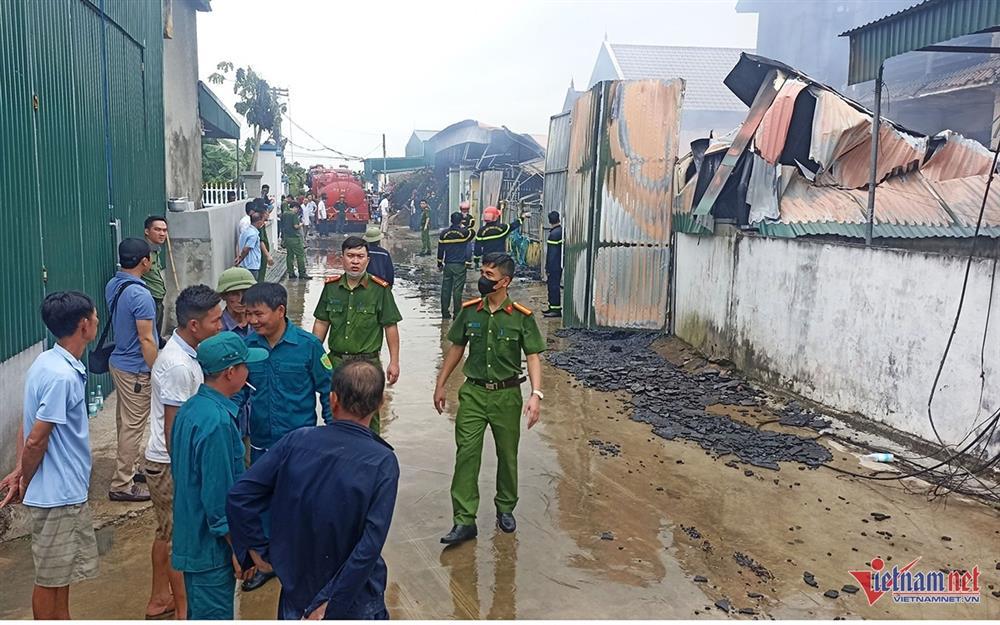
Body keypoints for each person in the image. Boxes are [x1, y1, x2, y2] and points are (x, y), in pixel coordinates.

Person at [227, 360, 399, 620]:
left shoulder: (298, 440)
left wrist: (257, 551)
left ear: (332, 400)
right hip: (354, 597)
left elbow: (240, 495)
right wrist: (331, 601)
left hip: (298, 588)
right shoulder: (382, 461)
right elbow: (369, 545)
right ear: (380, 404)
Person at [433, 253, 544, 545]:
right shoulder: (470, 311)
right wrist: (440, 383)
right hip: (473, 394)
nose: (482, 279)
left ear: (504, 282)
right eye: (482, 272)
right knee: (466, 454)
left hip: (507, 396)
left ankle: (505, 508)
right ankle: (464, 520)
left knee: (507, 455)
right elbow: (457, 349)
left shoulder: (521, 317)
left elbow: (532, 356)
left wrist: (535, 394)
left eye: (489, 276)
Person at [0, 292, 100, 619]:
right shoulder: (61, 377)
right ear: (84, 325)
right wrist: (25, 477)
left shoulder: (46, 362)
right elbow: (35, 439)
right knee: (49, 578)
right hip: (58, 495)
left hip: (60, 491)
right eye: (95, 317)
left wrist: (18, 471)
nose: (97, 321)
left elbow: (26, 426)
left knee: (60, 576)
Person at [238, 282, 333, 593]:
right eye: (248, 314)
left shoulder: (308, 347)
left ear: (280, 311)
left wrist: (335, 439)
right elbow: (238, 394)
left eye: (258, 314)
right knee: (263, 503)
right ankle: (269, 563)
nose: (253, 320)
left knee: (300, 502)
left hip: (301, 446)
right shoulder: (247, 348)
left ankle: (302, 560)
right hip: (262, 443)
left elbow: (327, 393)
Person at [170, 333, 267, 620]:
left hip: (192, 536)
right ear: (230, 372)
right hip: (210, 551)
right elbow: (218, 501)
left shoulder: (191, 409)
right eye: (245, 366)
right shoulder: (218, 423)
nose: (249, 372)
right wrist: (240, 549)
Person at [143, 285, 223, 620]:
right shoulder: (178, 365)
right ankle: (183, 610)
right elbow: (174, 428)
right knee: (181, 539)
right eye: (216, 321)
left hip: (165, 460)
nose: (221, 326)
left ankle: (160, 597)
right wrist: (186, 474)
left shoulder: (187, 353)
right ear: (194, 325)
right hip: (170, 462)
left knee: (166, 531)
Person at [312, 236, 402, 435]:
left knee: (370, 418)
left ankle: (371, 457)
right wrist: (312, 355)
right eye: (350, 256)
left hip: (367, 364)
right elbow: (321, 323)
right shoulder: (331, 288)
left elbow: (390, 327)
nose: (355, 261)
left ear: (368, 260)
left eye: (360, 256)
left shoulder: (380, 290)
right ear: (341, 258)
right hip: (335, 362)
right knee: (333, 413)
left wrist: (394, 362)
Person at [106, 238, 158, 502]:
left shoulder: (114, 284)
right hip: (136, 369)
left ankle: (131, 468)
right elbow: (146, 339)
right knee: (133, 426)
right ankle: (122, 484)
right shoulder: (140, 295)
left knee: (124, 422)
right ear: (144, 261)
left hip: (119, 363)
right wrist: (155, 370)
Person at [438, 211, 473, 319]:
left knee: (445, 289)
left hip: (448, 265)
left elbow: (440, 250)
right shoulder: (464, 233)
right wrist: (469, 220)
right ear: (460, 221)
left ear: (451, 220)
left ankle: (445, 312)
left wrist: (439, 262)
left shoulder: (444, 233)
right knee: (457, 290)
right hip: (460, 265)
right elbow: (472, 231)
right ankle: (457, 314)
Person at [143, 216, 169, 344]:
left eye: (164, 230)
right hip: (150, 299)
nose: (162, 233)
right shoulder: (143, 252)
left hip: (158, 299)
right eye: (157, 230)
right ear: (147, 231)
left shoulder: (155, 250)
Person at [216, 267, 257, 337]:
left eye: (246, 292)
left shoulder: (258, 322)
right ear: (223, 296)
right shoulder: (217, 327)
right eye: (234, 294)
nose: (241, 300)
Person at [281, 202, 309, 280]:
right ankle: (302, 273)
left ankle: (291, 273)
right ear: (295, 207)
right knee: (300, 255)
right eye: (298, 209)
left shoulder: (284, 214)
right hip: (295, 238)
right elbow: (296, 226)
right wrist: (301, 224)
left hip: (287, 238)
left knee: (290, 256)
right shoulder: (293, 215)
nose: (297, 211)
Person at [544, 211, 563, 318]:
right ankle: (552, 308)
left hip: (554, 266)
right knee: (553, 287)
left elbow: (551, 254)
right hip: (557, 265)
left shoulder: (554, 234)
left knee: (553, 287)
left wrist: (548, 268)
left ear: (549, 220)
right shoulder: (560, 231)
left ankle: (555, 310)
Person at [235, 211, 265, 277]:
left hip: (243, 265)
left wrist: (238, 257)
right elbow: (246, 249)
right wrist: (240, 259)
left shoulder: (245, 231)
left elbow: (238, 244)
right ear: (259, 222)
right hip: (251, 266)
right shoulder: (253, 234)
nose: (263, 223)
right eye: (263, 221)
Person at [257, 208, 274, 283]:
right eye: (267, 212)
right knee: (260, 275)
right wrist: (268, 255)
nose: (269, 214)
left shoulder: (262, 224)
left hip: (262, 254)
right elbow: (261, 241)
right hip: (261, 254)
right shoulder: (260, 226)